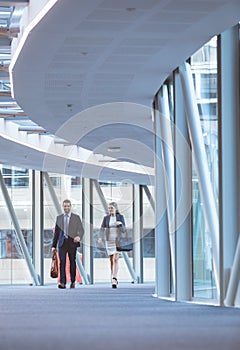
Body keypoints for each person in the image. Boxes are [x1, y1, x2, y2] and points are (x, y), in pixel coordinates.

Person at [52, 199, 84, 289]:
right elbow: (57, 233)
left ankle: (73, 281)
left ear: (70, 206)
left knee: (72, 263)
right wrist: (53, 246)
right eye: (65, 206)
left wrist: (79, 237)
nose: (66, 208)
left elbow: (81, 230)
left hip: (72, 243)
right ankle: (63, 282)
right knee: (62, 263)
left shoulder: (76, 217)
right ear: (63, 207)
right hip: (62, 243)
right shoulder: (59, 218)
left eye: (68, 206)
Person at [99, 202, 126, 288]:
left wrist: (120, 224)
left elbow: (124, 230)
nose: (110, 210)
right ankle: (112, 277)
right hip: (109, 240)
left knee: (115, 259)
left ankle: (114, 278)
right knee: (111, 260)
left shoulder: (120, 217)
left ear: (115, 209)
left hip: (117, 241)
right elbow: (102, 228)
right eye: (109, 208)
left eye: (112, 208)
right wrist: (100, 237)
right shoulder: (106, 218)